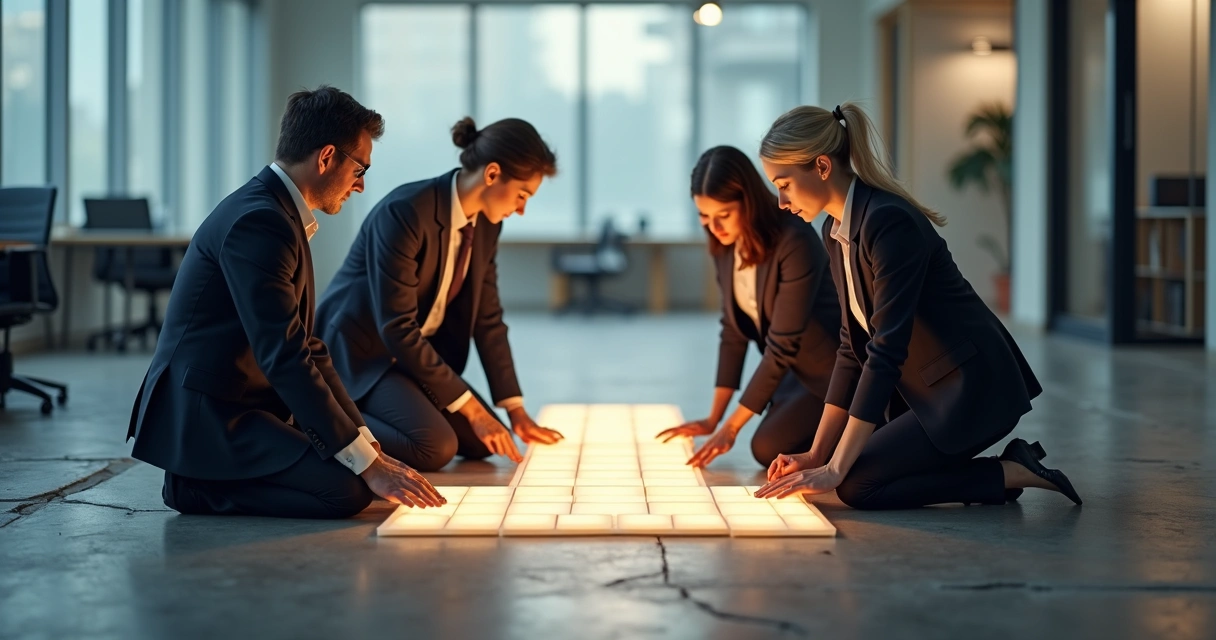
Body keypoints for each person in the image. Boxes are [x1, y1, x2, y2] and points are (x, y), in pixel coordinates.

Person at [128, 86, 445, 519]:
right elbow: (284, 354)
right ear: (327, 157)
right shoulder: (261, 221)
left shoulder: (278, 212)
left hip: (240, 403)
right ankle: (195, 487)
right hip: (211, 416)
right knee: (347, 491)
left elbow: (309, 346)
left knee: (356, 472)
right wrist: (366, 464)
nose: (361, 184)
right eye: (360, 169)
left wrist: (366, 445)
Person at [754, 103, 1082, 509]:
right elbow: (851, 347)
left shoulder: (887, 221)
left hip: (971, 388)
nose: (781, 201)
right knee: (853, 478)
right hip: (928, 390)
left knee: (855, 484)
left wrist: (835, 467)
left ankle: (1010, 472)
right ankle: (1007, 471)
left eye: (784, 184)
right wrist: (817, 454)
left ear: (822, 166)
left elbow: (886, 349)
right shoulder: (834, 231)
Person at [315, 117, 563, 472]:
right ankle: (325, 418)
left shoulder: (487, 224)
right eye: (522, 195)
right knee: (435, 446)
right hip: (363, 356)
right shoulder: (406, 212)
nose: (522, 209)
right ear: (492, 174)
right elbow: (397, 327)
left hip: (410, 357)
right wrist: (473, 410)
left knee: (483, 441)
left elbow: (488, 318)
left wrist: (516, 411)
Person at [655, 146, 841, 469]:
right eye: (704, 217)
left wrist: (731, 428)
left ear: (749, 201)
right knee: (768, 446)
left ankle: (862, 435)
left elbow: (782, 345)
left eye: (724, 215)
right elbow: (733, 330)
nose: (715, 227)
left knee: (765, 447)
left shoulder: (794, 240)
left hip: (833, 373)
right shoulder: (726, 244)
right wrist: (714, 418)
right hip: (794, 374)